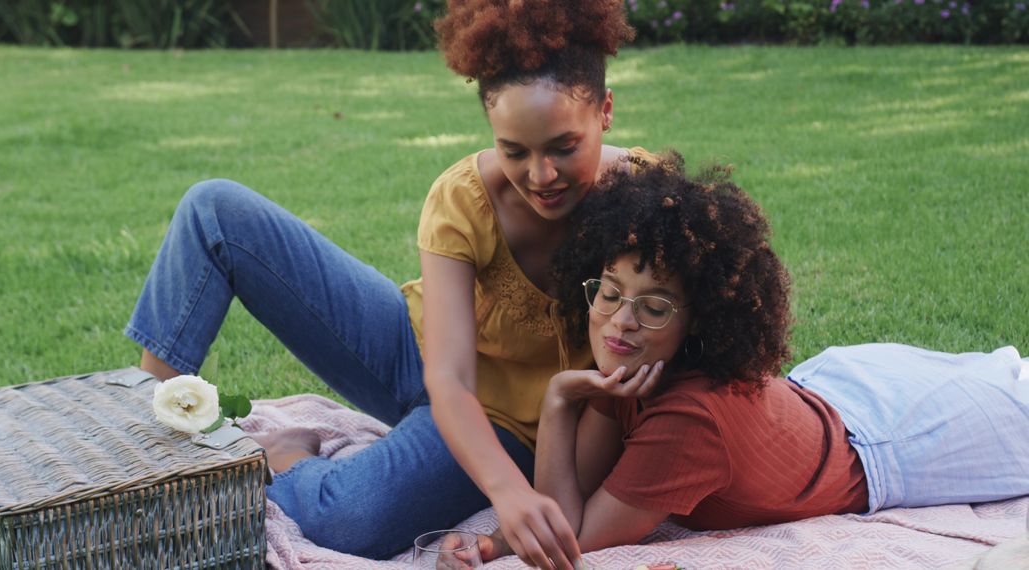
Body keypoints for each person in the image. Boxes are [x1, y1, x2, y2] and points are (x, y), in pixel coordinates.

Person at [124, 0, 647, 563]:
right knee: (215, 211)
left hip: (512, 427)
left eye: (564, 147)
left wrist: (517, 483)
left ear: (606, 111)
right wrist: (507, 493)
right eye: (514, 151)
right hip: (419, 354)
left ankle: (285, 458)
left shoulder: (649, 201)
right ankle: (144, 438)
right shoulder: (463, 197)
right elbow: (447, 377)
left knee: (350, 518)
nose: (540, 176)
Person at [475, 152, 1029, 564]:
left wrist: (556, 402)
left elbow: (570, 539)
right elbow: (568, 500)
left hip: (890, 441)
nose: (621, 320)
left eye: (656, 305)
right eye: (611, 292)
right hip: (834, 383)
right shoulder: (629, 365)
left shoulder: (688, 422)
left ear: (700, 318)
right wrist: (492, 543)